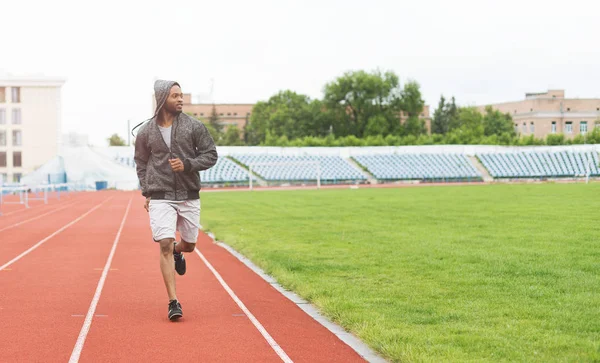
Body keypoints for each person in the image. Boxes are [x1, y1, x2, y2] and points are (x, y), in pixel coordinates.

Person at [134, 80, 217, 321]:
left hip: (189, 194)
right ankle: (173, 302)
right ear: (162, 99)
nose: (180, 99)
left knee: (189, 245)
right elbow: (141, 162)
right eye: (175, 96)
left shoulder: (193, 126)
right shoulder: (146, 132)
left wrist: (188, 164)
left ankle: (178, 252)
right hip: (160, 195)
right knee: (164, 243)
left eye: (181, 95)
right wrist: (147, 192)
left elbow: (211, 155)